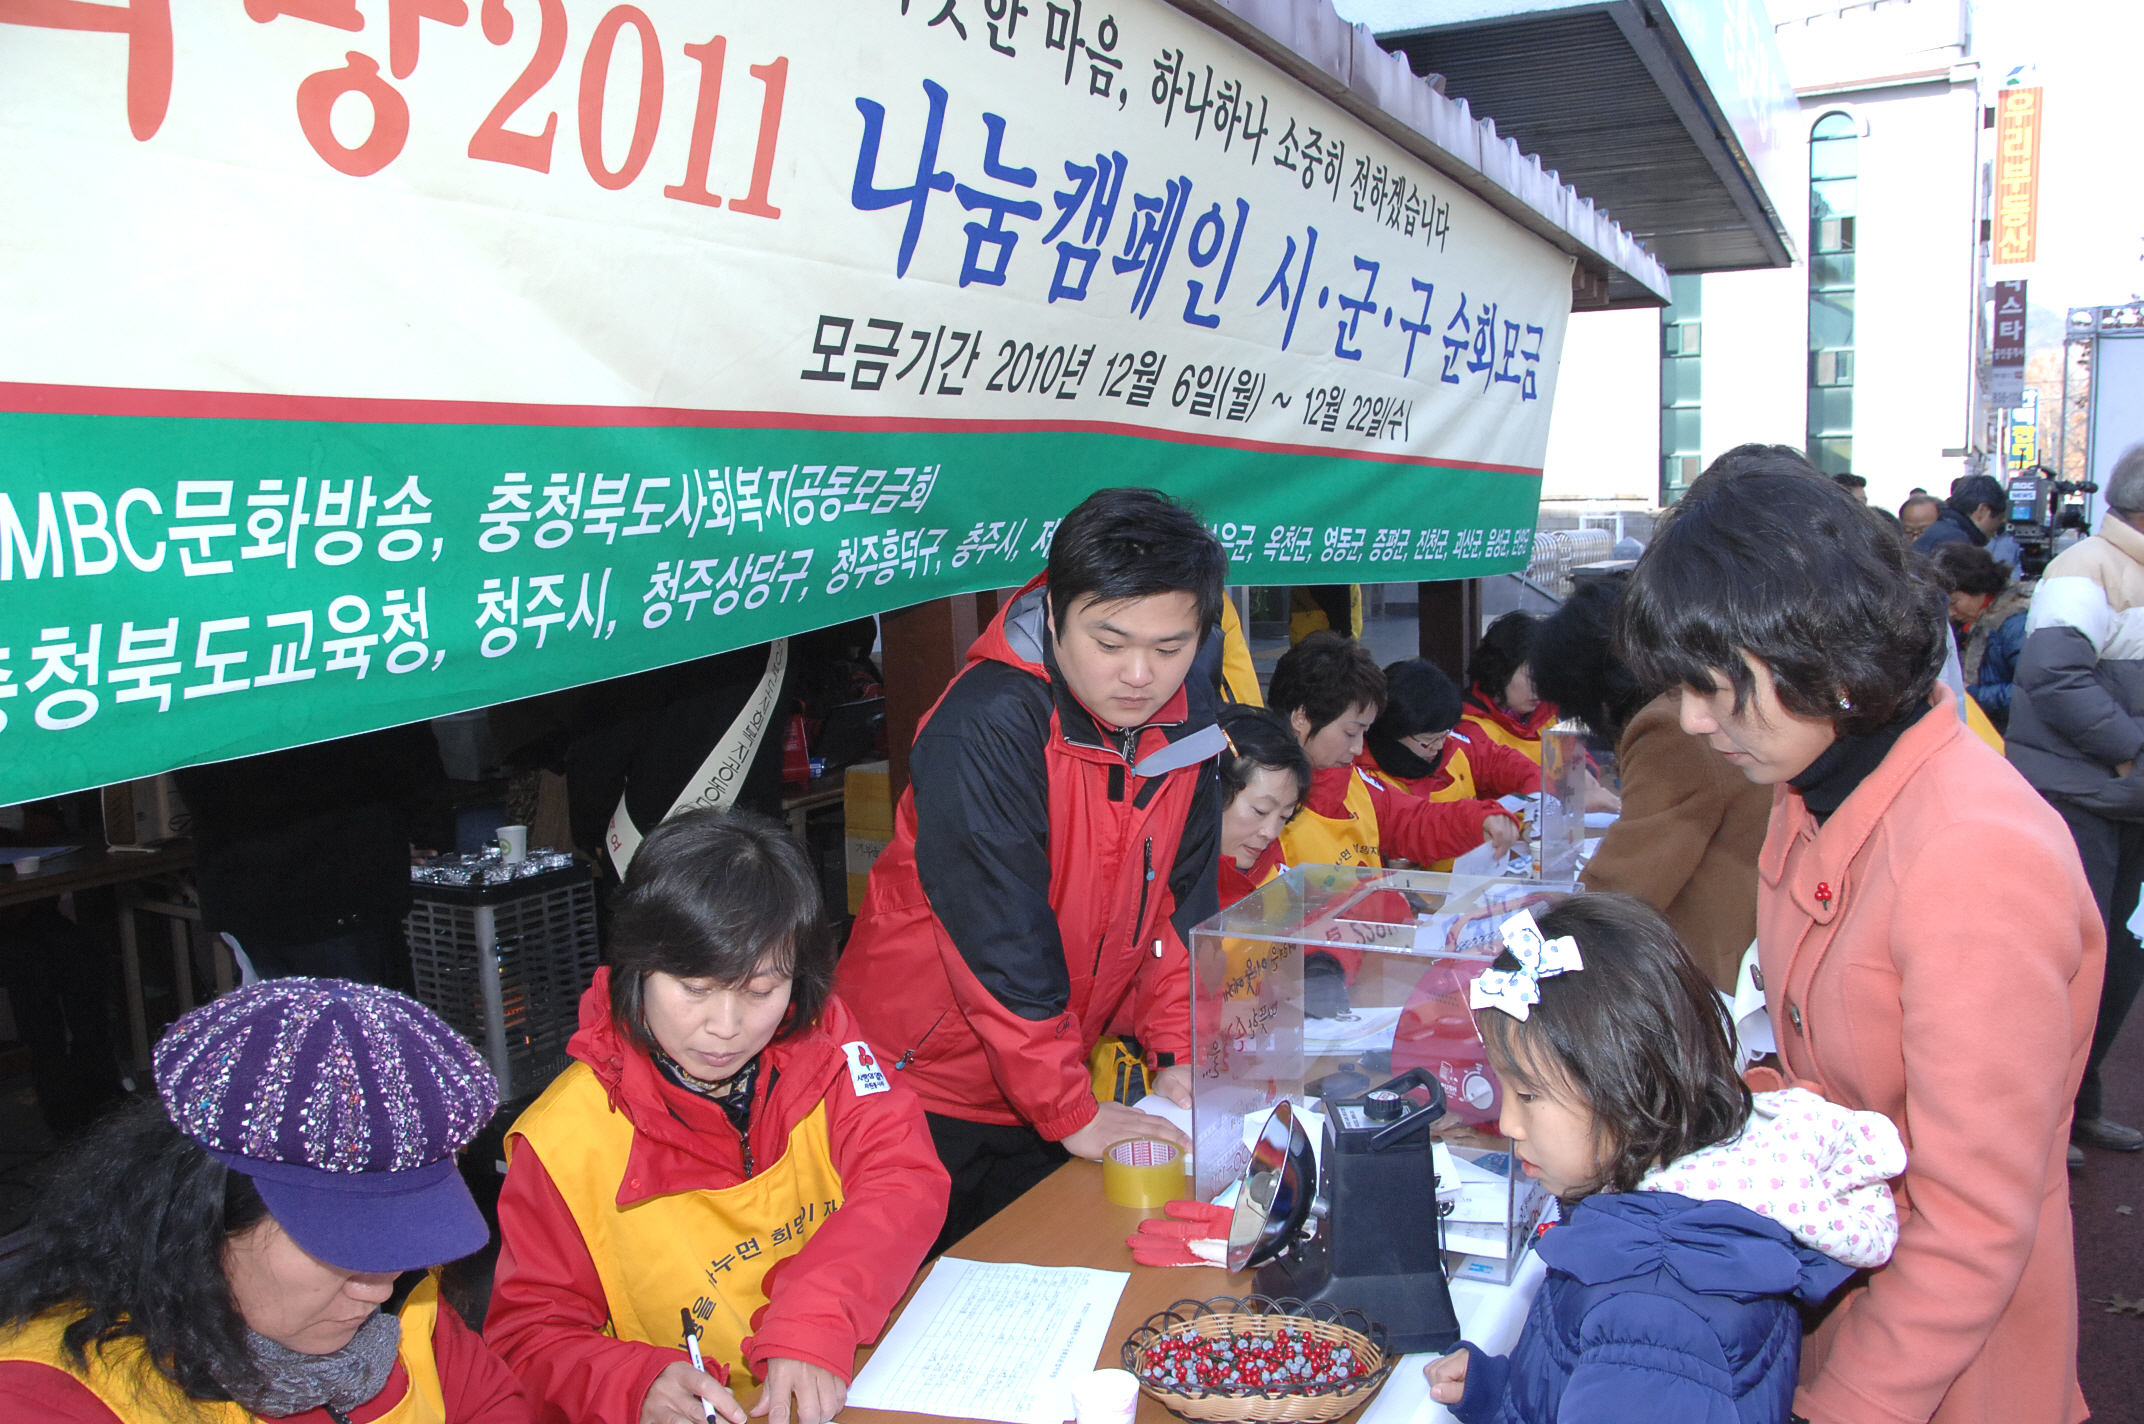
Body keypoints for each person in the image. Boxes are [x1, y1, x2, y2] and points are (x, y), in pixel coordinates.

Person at [1618, 444, 2101, 1424]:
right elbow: (1821, 1077)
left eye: (1718, 684)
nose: (1698, 720)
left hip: (1941, 1366)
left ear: (1816, 648)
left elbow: (1969, 1225)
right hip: (1849, 1297)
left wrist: (1838, 1405)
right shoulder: (1818, 789)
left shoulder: (1969, 852)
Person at [833, 488, 1222, 1246]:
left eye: (1171, 647)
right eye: (1110, 643)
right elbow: (998, 937)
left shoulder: (1190, 714)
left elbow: (1179, 903)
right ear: (1052, 615)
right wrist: (1070, 1108)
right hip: (919, 1081)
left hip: (1048, 1073)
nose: (1141, 674)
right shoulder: (988, 723)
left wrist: (1177, 1049)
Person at [488, 810, 947, 1424]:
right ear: (636, 966)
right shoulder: (563, 1140)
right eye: (695, 989)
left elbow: (904, 1175)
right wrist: (635, 1385)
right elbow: (527, 1340)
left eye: (761, 992)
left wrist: (815, 1316)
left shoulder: (827, 1047)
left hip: (847, 1381)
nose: (726, 1029)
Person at [1425, 895, 1899, 1424]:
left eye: (1529, 1096)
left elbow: (1635, 1369)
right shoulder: (1692, 1212)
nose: (1509, 1125)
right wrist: (1504, 1395)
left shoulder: (1650, 1310)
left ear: (1629, 1086)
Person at [0, 979, 527, 1423]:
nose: (377, 1288)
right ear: (200, 1220)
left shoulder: (417, 1316)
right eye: (347, 1248)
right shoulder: (50, 1400)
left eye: (401, 1242)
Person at [1528, 577, 1771, 994]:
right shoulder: (1696, 695)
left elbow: (1627, 882)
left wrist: (1530, 945)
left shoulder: (1669, 726)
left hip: (1712, 967)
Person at [2005, 441, 2144, 1159]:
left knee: (2118, 960)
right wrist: (2131, 749)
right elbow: (2056, 679)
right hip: (2084, 795)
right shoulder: (2086, 568)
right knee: (2069, 964)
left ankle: (2079, 1105)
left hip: (2117, 796)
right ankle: (2049, 1118)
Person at [175, 723, 453, 987]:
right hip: (334, 882)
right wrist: (425, 830)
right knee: (358, 1026)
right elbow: (401, 748)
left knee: (287, 1024)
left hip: (247, 883)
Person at [1266, 632, 1520, 874]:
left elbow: (1415, 821)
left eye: (1364, 733)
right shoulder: (1260, 803)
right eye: (1351, 733)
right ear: (1301, 719)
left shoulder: (1353, 783)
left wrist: (1480, 821)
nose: (1357, 749)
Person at [1360, 659, 1544, 805]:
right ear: (1394, 731)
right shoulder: (1368, 779)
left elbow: (1504, 763)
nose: (1439, 746)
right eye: (1428, 740)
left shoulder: (1453, 744)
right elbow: (1420, 824)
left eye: (1443, 734)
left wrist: (1537, 792)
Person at [1214, 705, 1312, 907]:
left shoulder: (1281, 881)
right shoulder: (1161, 882)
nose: (1271, 832)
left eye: (1285, 817)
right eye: (1261, 811)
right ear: (1214, 791)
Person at [1930, 543, 2031, 734]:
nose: (1951, 612)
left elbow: (2030, 692)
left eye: (1954, 602)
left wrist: (1975, 694)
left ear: (1978, 588)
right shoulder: (1970, 622)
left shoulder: (2014, 625)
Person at [1462, 613, 1559, 764]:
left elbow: (1576, 752)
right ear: (1500, 670)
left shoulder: (1548, 714)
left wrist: (1585, 771)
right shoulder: (1469, 728)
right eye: (1531, 676)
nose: (1539, 688)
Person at [1911, 472, 2006, 556]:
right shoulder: (1957, 543)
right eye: (1998, 520)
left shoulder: (1945, 527)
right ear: (1982, 510)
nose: (1996, 531)